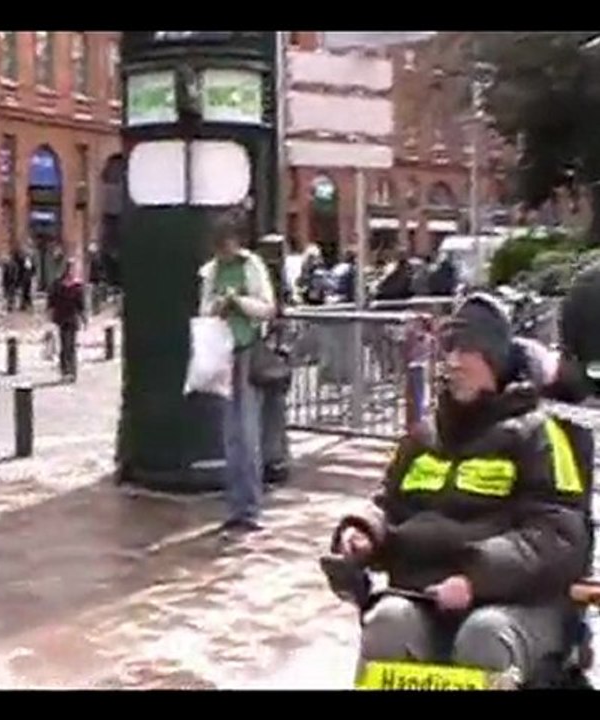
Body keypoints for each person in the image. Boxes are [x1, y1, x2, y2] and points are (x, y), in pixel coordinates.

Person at [331, 293, 589, 683]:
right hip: (426, 595)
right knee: (388, 621)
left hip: (520, 603)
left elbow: (558, 536)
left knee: (483, 636)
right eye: (448, 349)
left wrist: (475, 580)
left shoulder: (541, 435)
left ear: (495, 359)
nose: (452, 362)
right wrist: (366, 531)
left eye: (466, 350)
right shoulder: (424, 436)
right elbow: (389, 503)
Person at [199, 207, 276, 534]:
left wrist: (239, 302)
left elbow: (267, 309)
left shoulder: (251, 266)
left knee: (247, 433)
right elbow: (203, 309)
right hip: (222, 352)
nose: (224, 250)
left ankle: (250, 507)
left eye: (227, 243)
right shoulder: (212, 271)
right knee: (230, 435)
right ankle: (235, 505)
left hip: (245, 352)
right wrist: (217, 306)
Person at [47, 258, 85, 381]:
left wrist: (84, 318)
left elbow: (81, 304)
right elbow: (51, 302)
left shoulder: (77, 286)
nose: (71, 271)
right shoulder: (58, 285)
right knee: (64, 345)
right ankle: (65, 371)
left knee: (71, 346)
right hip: (62, 318)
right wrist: (49, 316)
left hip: (72, 318)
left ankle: (72, 371)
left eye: (73, 269)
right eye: (70, 268)